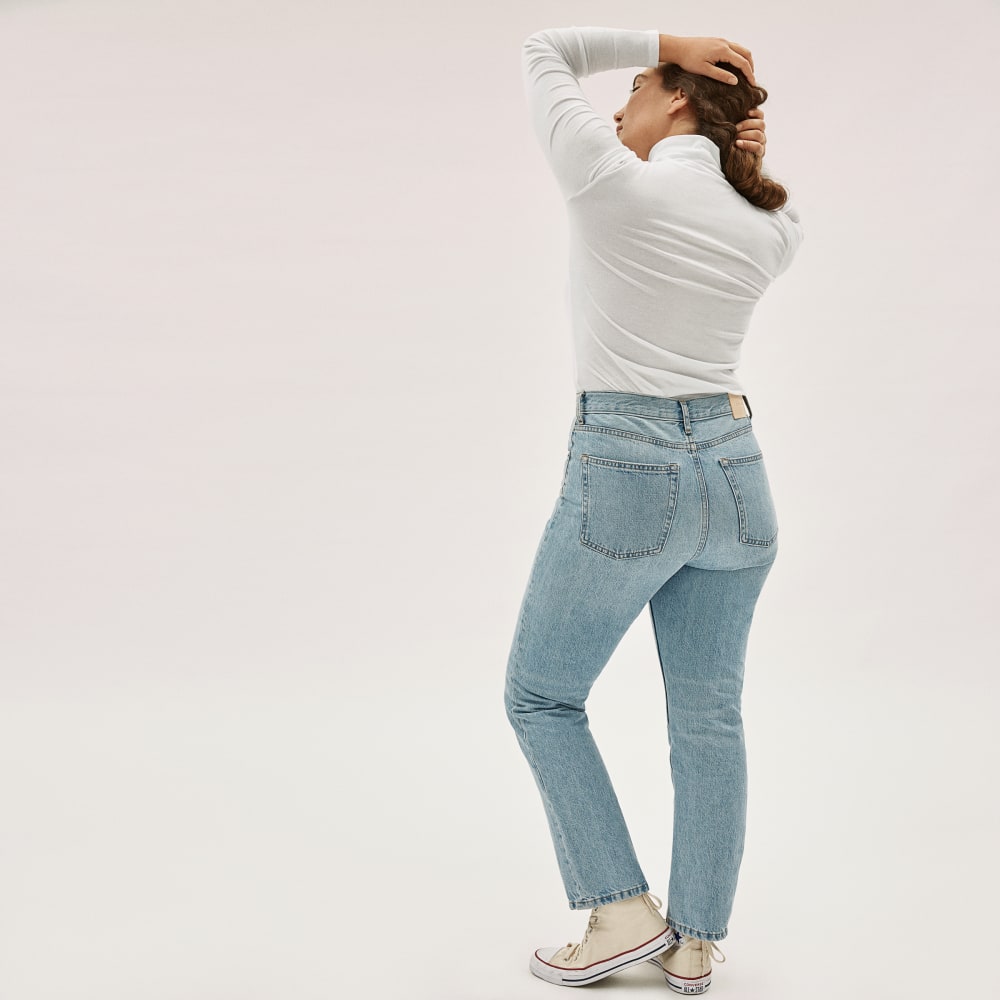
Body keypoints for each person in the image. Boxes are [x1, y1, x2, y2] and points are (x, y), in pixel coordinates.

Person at [503, 25, 804, 992]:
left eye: (636, 85)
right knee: (710, 717)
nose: (618, 102)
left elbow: (544, 48)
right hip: (738, 473)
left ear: (677, 97)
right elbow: (770, 204)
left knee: (541, 696)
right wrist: (741, 159)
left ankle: (622, 911)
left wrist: (668, 40)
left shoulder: (610, 183)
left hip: (628, 468)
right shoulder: (771, 229)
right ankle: (696, 941)